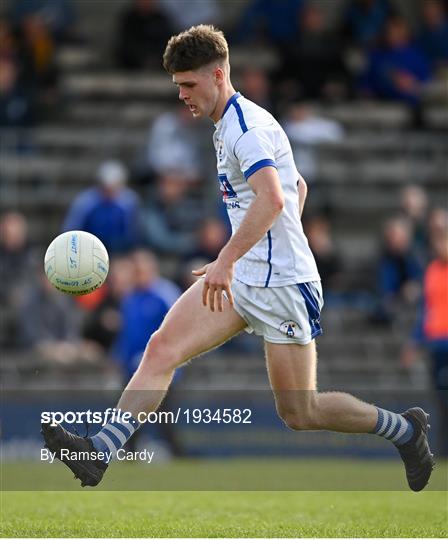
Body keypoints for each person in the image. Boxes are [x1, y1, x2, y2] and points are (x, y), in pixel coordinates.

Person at [42, 25, 434, 491]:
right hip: (246, 277)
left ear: (218, 74)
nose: (183, 96)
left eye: (189, 85)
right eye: (178, 86)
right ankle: (99, 454)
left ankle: (406, 431)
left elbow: (273, 199)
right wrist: (253, 252)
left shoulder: (244, 128)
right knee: (161, 348)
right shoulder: (229, 123)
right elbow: (296, 186)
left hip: (284, 286)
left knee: (299, 412)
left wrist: (230, 258)